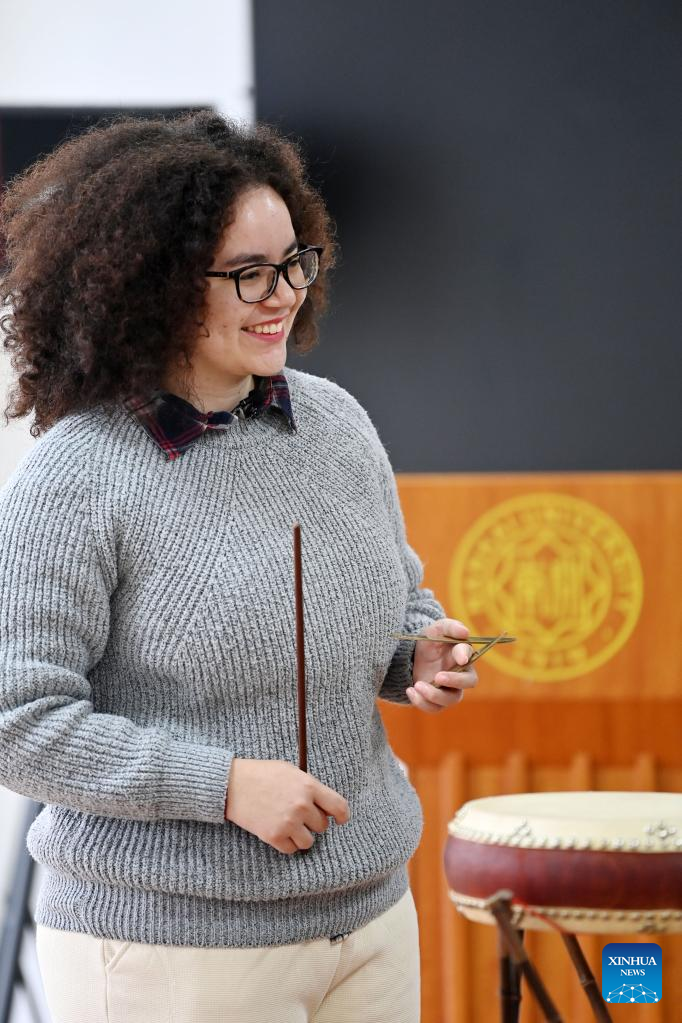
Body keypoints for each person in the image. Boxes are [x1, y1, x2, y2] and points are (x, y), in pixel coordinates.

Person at [0, 111, 477, 1023]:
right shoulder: (76, 473)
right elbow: (15, 718)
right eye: (247, 274)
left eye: (295, 262)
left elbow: (390, 592)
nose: (282, 294)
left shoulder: (335, 423)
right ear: (152, 284)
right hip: (166, 947)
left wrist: (411, 649)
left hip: (370, 918)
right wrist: (220, 786)